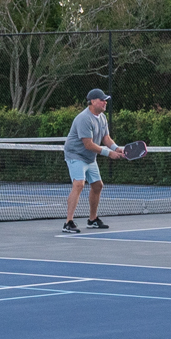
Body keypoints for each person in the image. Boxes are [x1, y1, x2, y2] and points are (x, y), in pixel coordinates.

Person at [62, 88, 125, 233]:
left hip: (89, 158)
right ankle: (68, 222)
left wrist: (116, 148)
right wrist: (109, 153)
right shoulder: (84, 118)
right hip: (75, 155)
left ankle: (92, 220)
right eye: (102, 100)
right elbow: (88, 144)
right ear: (93, 102)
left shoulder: (102, 117)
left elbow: (106, 138)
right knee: (78, 184)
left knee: (97, 186)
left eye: (105, 100)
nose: (105, 103)